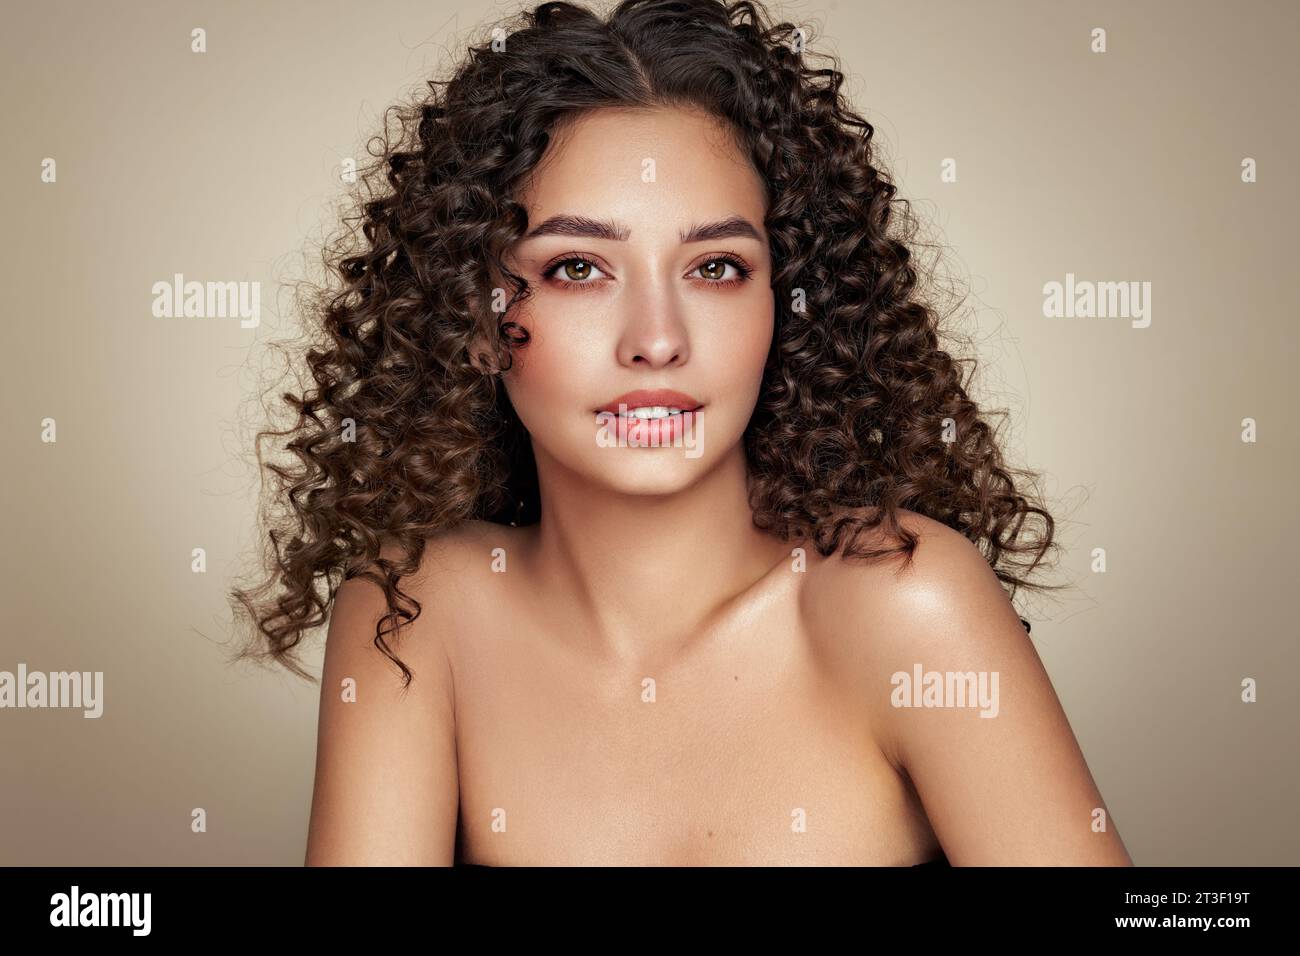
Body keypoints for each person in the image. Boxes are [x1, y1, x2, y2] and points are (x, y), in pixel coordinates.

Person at [231, 0, 1133, 867]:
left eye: (716, 267)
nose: (657, 339)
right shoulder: (413, 613)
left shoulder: (905, 603)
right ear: (476, 314)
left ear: (789, 304)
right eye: (579, 267)